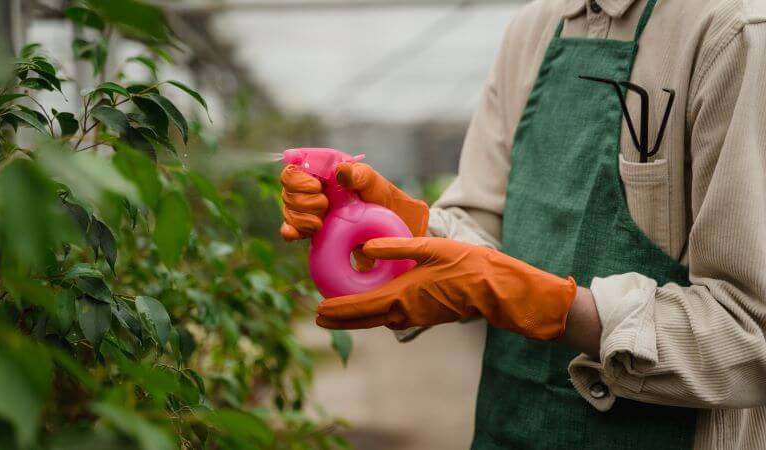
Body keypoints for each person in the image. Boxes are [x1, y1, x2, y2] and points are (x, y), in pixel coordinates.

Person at [279, 0, 766, 448]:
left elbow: (749, 332)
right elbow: (483, 218)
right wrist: (405, 229)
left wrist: (545, 304)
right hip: (511, 424)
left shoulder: (732, 31)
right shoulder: (534, 28)